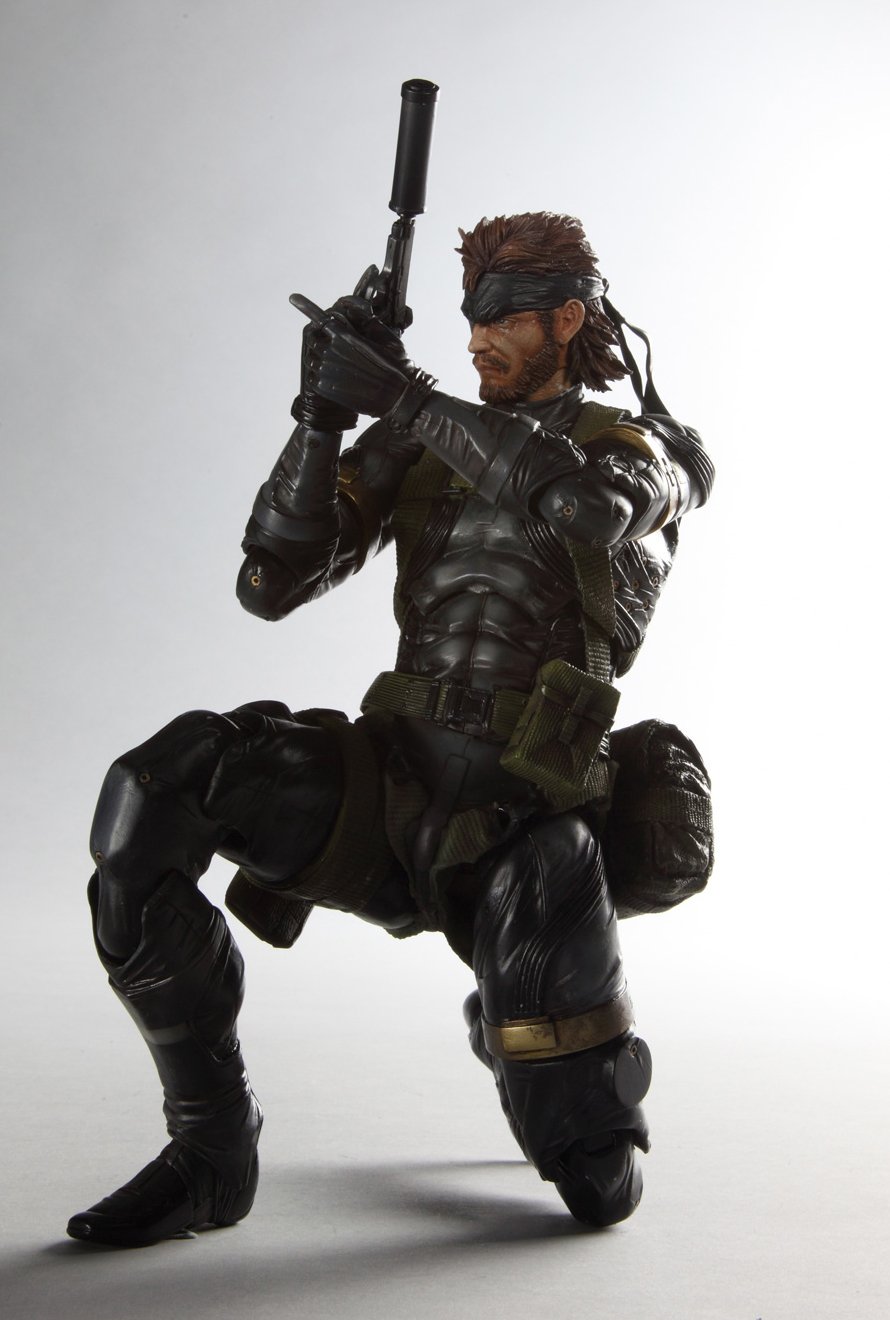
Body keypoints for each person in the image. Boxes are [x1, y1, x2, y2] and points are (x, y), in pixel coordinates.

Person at [67, 212, 714, 1247]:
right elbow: (270, 583)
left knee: (598, 1189)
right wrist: (323, 416)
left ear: (566, 319)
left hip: (527, 820)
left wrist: (404, 395)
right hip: (393, 790)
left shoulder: (646, 453)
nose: (478, 340)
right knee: (161, 786)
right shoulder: (420, 439)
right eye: (471, 319)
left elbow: (585, 512)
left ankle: (520, 1010)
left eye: (504, 319)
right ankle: (212, 1146)